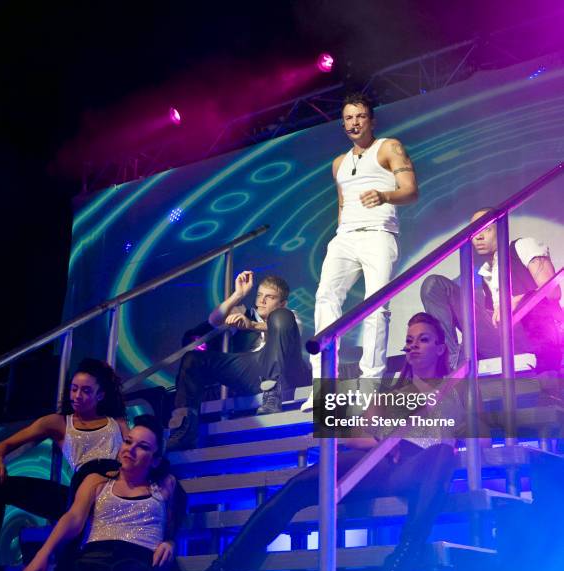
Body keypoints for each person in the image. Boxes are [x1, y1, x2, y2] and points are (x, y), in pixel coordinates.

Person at [177, 312, 461, 571]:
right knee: (297, 486)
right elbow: (349, 435)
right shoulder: (389, 395)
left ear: (441, 347)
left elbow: (451, 439)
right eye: (409, 341)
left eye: (423, 340)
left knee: (443, 454)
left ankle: (399, 564)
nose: (413, 346)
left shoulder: (453, 391)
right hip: (380, 462)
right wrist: (382, 440)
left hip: (420, 466)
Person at [0, 358, 129, 571]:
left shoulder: (116, 422)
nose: (77, 395)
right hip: (76, 496)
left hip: (110, 493)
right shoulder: (58, 423)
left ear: (100, 396)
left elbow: (133, 454)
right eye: (74, 389)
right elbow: (2, 445)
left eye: (85, 391)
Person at [302, 92, 419, 411]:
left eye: (360, 116)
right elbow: (342, 203)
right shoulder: (338, 163)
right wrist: (341, 233)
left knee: (376, 306)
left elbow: (410, 191)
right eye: (348, 118)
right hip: (345, 237)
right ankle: (324, 385)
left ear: (371, 120)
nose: (354, 123)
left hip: (379, 233)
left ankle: (371, 383)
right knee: (325, 297)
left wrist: (384, 196)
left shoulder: (389, 147)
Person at [19, 415, 178, 571]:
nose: (131, 449)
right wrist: (44, 553)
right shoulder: (96, 481)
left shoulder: (165, 484)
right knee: (81, 569)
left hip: (139, 559)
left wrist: (170, 542)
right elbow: (73, 518)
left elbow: (172, 525)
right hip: (95, 556)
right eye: (128, 442)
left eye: (143, 446)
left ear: (155, 461)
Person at [421, 207, 562, 397]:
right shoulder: (486, 273)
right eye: (474, 231)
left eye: (485, 229)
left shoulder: (523, 246)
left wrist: (516, 300)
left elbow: (553, 292)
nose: (478, 236)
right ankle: (452, 368)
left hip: (534, 337)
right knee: (434, 285)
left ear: (501, 228)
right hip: (504, 339)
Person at [167, 271, 310, 451]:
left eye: (270, 297)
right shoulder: (245, 313)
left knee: (280, 317)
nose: (261, 301)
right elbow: (214, 320)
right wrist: (238, 295)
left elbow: (288, 327)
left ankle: (272, 394)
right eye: (259, 295)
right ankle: (184, 428)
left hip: (284, 372)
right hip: (251, 368)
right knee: (192, 359)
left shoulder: (289, 315)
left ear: (282, 302)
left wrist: (251, 326)